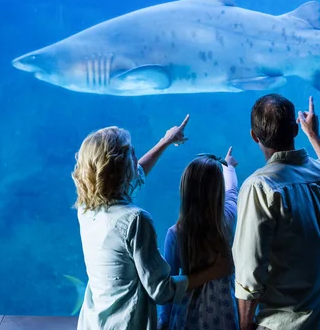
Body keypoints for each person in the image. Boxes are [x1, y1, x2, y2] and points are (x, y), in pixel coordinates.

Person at [72, 115, 232, 330]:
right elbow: (161, 291)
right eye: (132, 154)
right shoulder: (134, 220)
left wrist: (165, 141)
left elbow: (134, 176)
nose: (136, 161)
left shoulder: (86, 207)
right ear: (120, 168)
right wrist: (214, 271)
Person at [232, 94, 320, 330]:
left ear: (254, 135)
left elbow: (249, 273)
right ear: (295, 130)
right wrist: (314, 135)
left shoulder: (259, 187)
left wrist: (244, 327)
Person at [159, 147, 240, 330]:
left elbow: (169, 285)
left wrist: (164, 321)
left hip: (188, 314)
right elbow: (233, 192)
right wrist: (229, 167)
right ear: (218, 190)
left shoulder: (175, 234)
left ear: (185, 191)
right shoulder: (227, 219)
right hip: (224, 309)